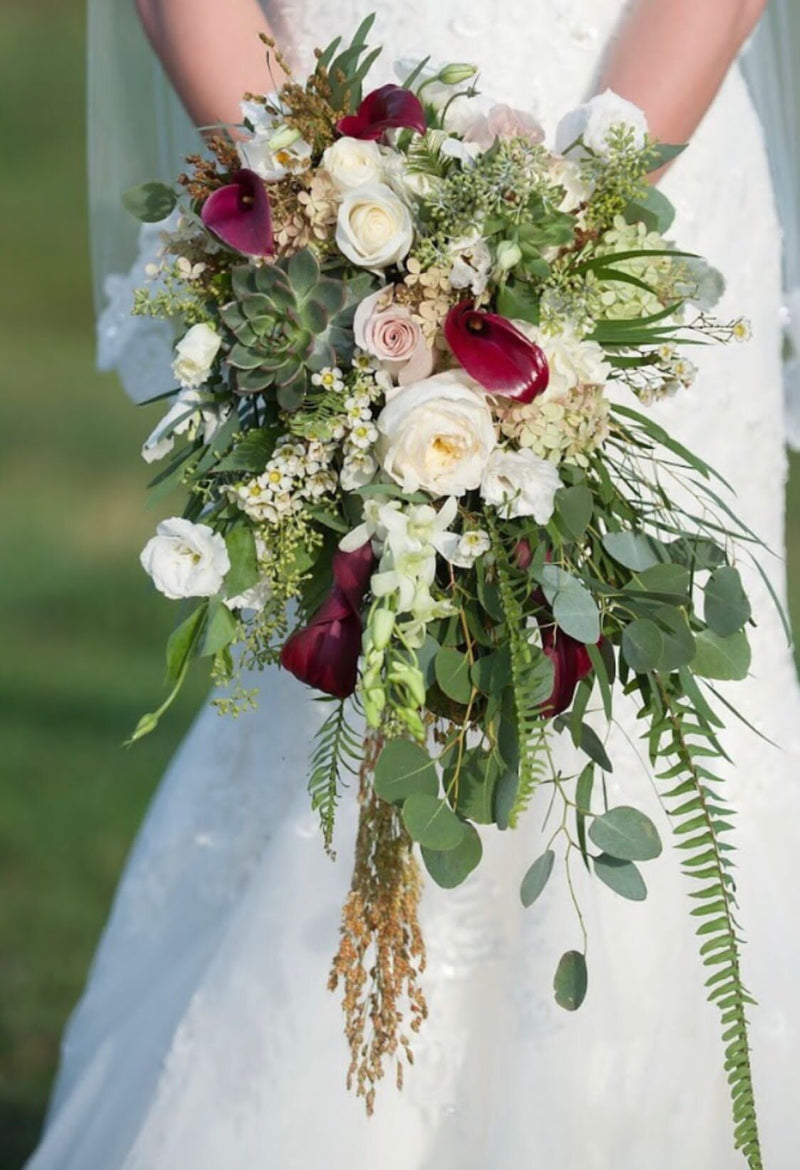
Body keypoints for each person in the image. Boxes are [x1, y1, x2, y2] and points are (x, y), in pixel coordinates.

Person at [27, 1, 800, 1167]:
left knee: (646, 683)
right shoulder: (319, 214)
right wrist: (317, 224)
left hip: (651, 150)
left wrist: (553, 243)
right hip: (326, 166)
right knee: (358, 671)